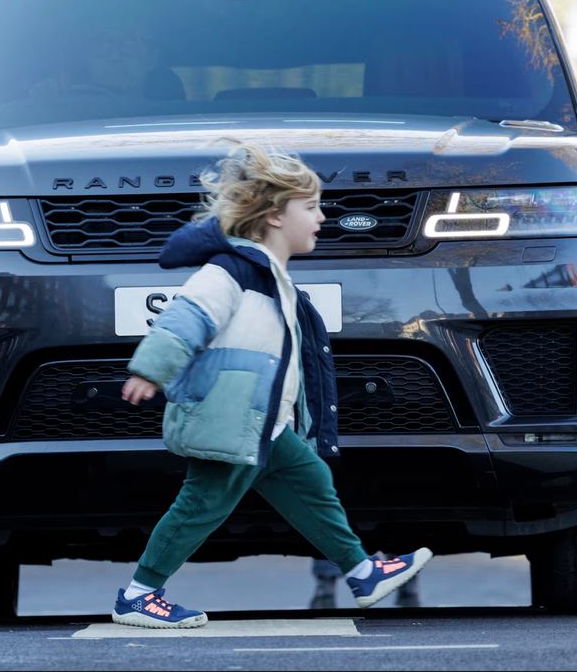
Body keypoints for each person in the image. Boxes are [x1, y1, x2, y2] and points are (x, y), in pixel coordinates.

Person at [110, 141, 432, 629]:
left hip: (264, 422)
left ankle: (362, 572)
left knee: (312, 481)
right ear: (276, 216)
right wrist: (149, 370)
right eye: (311, 207)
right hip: (230, 419)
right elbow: (184, 318)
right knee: (201, 504)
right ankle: (139, 594)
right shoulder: (232, 270)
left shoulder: (271, 275)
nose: (323, 216)